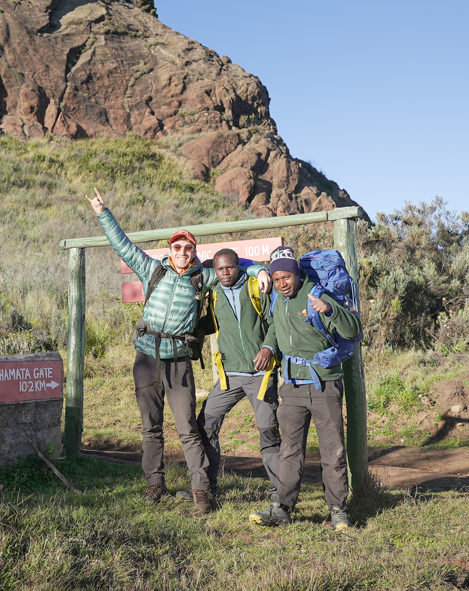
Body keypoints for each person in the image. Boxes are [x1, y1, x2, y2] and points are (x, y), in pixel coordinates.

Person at [86, 187, 271, 515]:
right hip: (146, 358)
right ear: (170, 250)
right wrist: (102, 212)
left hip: (179, 360)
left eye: (188, 247)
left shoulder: (204, 277)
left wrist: (259, 270)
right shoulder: (152, 269)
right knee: (150, 425)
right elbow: (122, 245)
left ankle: (200, 490)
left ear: (194, 252)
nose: (182, 251)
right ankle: (154, 483)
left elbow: (236, 268)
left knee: (187, 426)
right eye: (177, 246)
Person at [249, 246, 360, 530]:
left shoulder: (315, 296)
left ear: (297, 274)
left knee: (332, 449)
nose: (282, 283)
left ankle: (338, 509)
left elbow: (352, 331)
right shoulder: (279, 300)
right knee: (289, 450)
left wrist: (331, 310)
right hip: (292, 386)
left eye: (287, 277)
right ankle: (281, 507)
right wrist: (267, 346)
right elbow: (275, 327)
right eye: (277, 279)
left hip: (324, 383)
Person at [190, 248, 281, 503]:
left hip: (260, 375)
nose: (225, 273)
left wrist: (268, 347)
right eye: (220, 269)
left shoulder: (256, 287)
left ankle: (281, 494)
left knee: (268, 431)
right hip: (228, 376)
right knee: (205, 424)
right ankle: (206, 489)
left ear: (239, 266)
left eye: (230, 267)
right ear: (215, 271)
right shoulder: (214, 293)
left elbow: (275, 322)